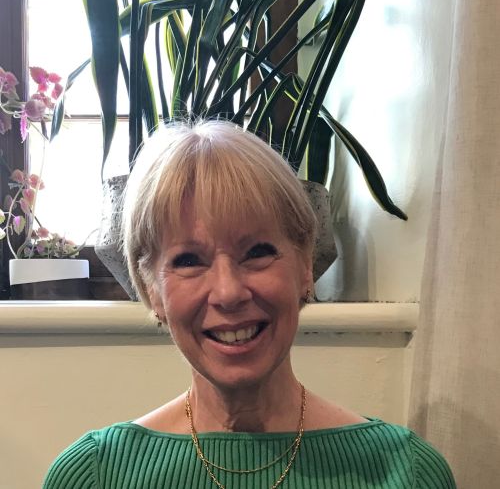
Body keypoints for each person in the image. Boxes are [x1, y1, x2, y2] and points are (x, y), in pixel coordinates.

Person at [43, 121, 455, 488]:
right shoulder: (93, 475)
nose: (228, 293)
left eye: (257, 252)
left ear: (305, 268)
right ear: (152, 290)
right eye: (189, 260)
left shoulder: (408, 473)